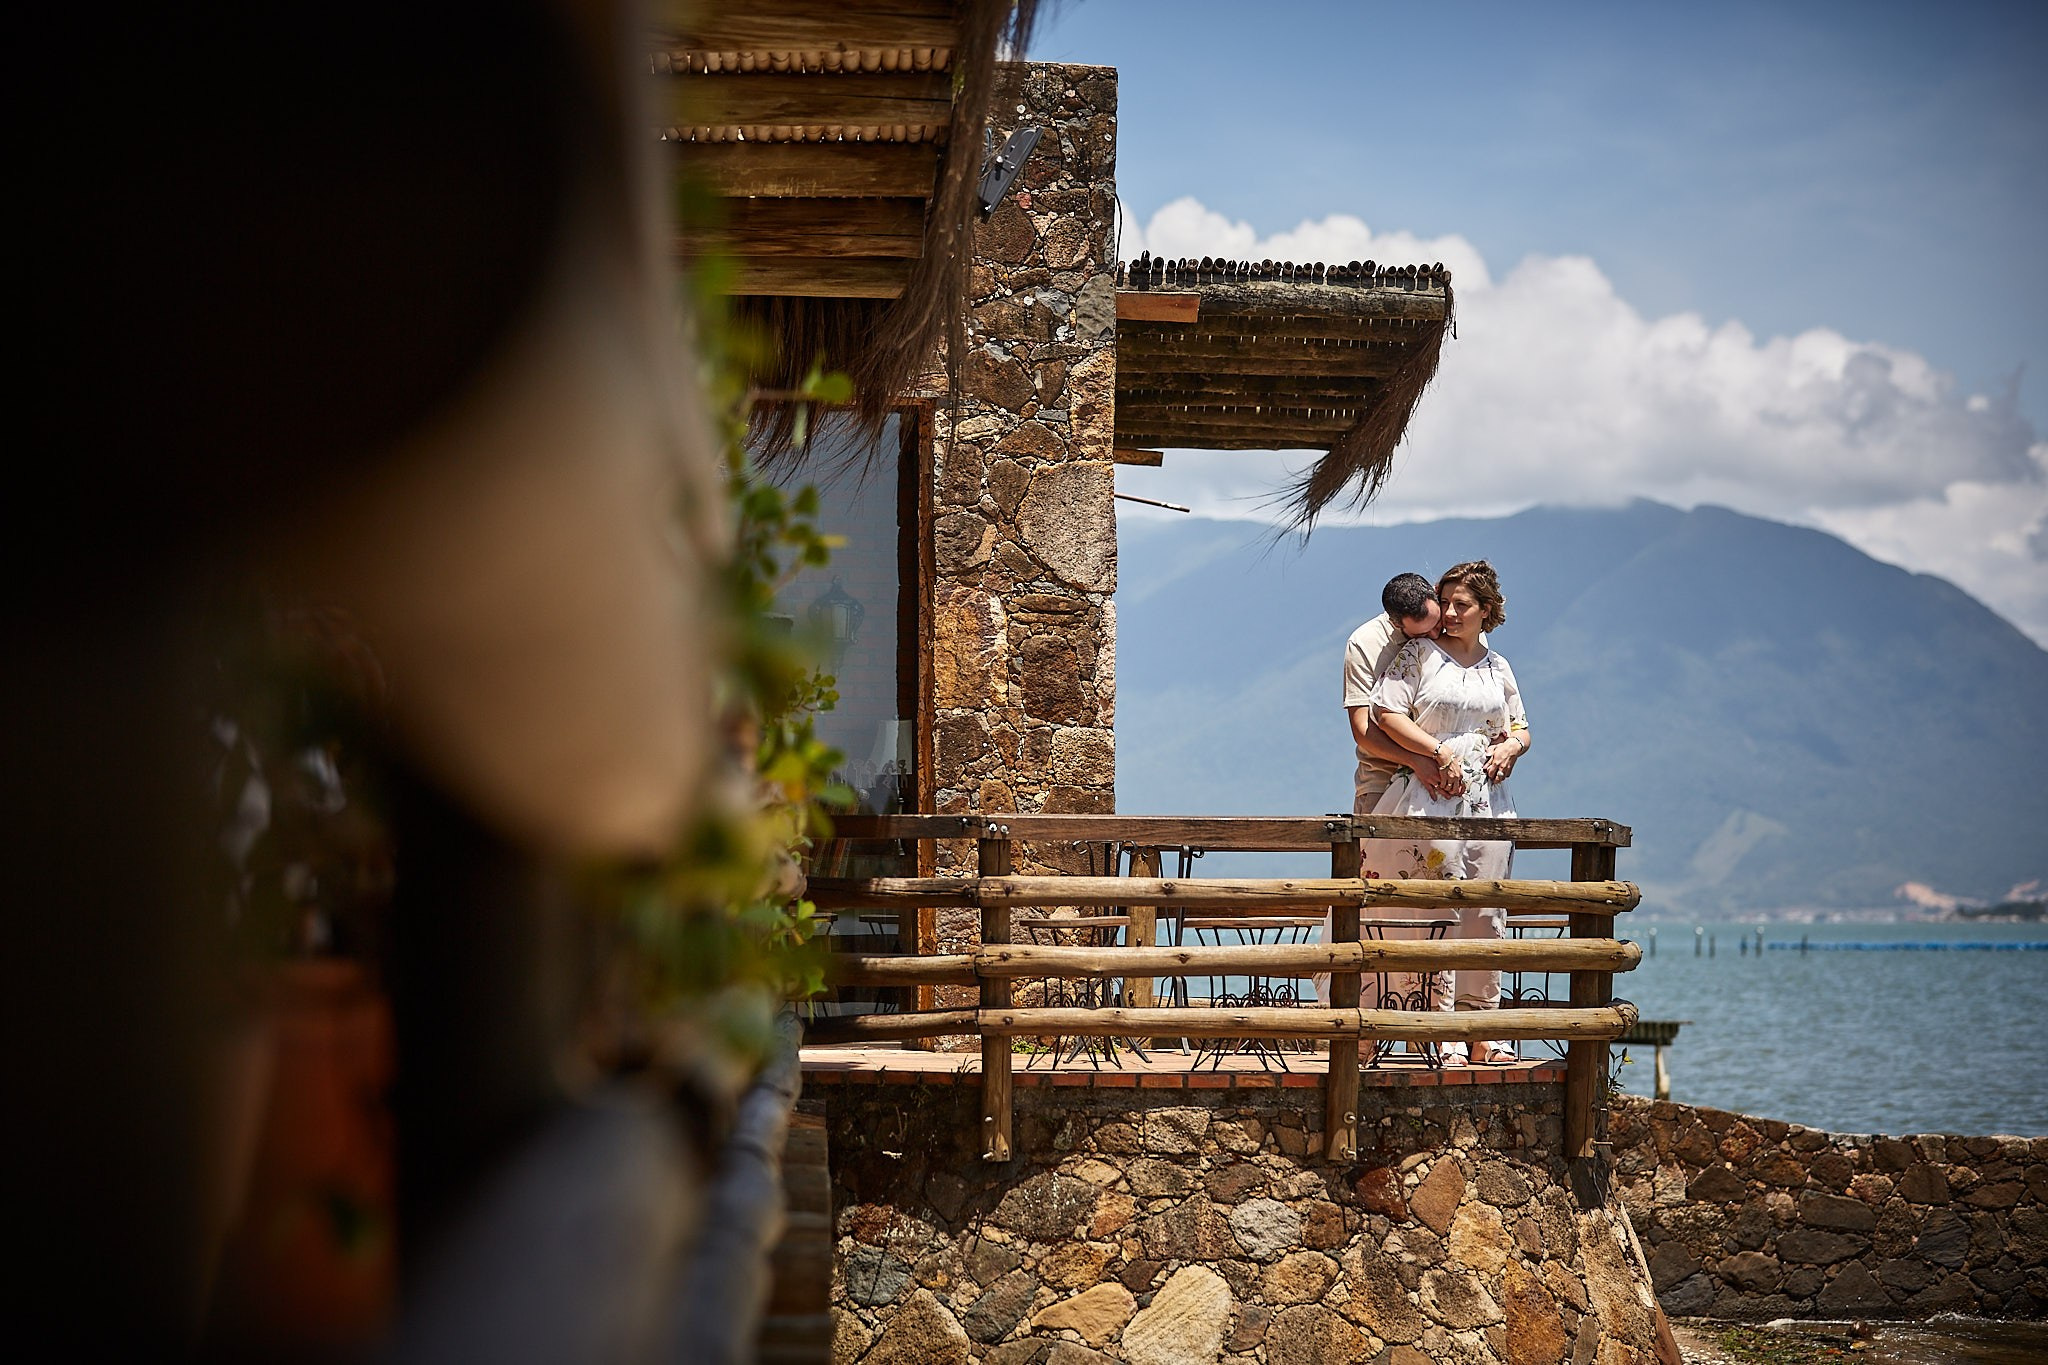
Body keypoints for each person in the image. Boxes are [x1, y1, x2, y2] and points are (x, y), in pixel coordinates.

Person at [1365, 561, 1530, 1065]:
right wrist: (1438, 753)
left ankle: (1482, 1031)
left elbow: (1521, 726)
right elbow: (1386, 713)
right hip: (1429, 793)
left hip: (1488, 803)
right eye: (1448, 602)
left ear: (1486, 611)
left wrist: (1511, 750)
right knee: (1436, 907)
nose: (1452, 613)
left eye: (1463, 605)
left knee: (1486, 909)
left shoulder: (1498, 666)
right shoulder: (1418, 654)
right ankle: (1437, 1029)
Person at [1342, 573, 1451, 814]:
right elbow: (1362, 730)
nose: (1434, 636)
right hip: (1383, 781)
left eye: (1436, 624)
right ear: (1396, 624)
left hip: (1448, 778)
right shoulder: (1365, 643)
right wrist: (1414, 760)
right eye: (1421, 634)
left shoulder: (1455, 627)